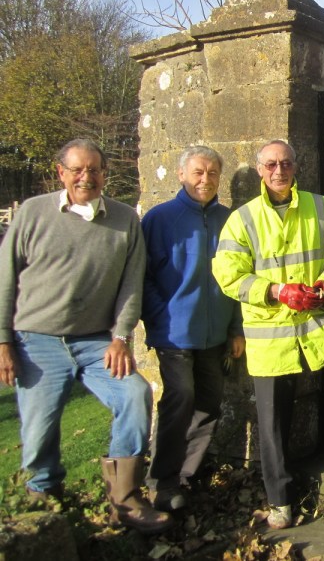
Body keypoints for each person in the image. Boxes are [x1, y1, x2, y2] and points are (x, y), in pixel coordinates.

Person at [212, 139, 324, 531]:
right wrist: (276, 291)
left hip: (323, 324)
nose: (279, 170)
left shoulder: (322, 207)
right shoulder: (242, 219)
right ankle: (280, 501)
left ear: (296, 166)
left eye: (285, 163)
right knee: (272, 419)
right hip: (272, 334)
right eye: (271, 164)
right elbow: (228, 274)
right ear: (260, 170)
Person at [0, 138, 171, 533]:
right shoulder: (33, 213)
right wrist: (4, 341)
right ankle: (44, 501)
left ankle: (125, 499)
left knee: (134, 394)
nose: (85, 177)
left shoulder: (124, 219)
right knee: (39, 427)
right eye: (77, 170)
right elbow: (6, 278)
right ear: (61, 172)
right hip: (37, 340)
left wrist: (120, 337)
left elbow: (131, 284)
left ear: (105, 174)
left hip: (97, 341)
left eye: (94, 170)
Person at [141, 146, 245, 512]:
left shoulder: (229, 220)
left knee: (209, 403)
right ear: (181, 174)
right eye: (198, 172)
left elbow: (240, 276)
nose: (206, 179)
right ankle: (161, 480)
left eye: (213, 173)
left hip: (214, 334)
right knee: (180, 398)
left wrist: (235, 327)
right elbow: (143, 276)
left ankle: (186, 477)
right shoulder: (159, 219)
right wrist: (162, 315)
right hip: (173, 333)